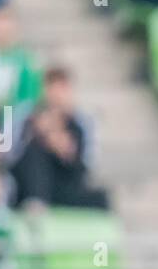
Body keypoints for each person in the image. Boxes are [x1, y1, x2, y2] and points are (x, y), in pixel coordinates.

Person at [13, 67, 109, 209]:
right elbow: (13, 154)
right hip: (34, 184)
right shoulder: (29, 116)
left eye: (61, 89)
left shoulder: (81, 122)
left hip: (65, 183)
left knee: (101, 197)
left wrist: (62, 146)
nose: (57, 95)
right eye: (53, 89)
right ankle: (36, 202)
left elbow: (85, 161)